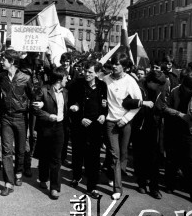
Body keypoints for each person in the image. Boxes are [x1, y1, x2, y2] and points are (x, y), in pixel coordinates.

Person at [0, 49, 34, 196]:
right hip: (6, 118)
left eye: (4, 59)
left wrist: (37, 104)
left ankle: (19, 172)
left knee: (20, 150)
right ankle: (8, 183)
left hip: (21, 118)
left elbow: (35, 95)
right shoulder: (0, 77)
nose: (2, 61)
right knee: (7, 151)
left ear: (12, 62)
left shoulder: (26, 78)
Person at [160, 72, 192, 204]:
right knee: (171, 159)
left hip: (188, 130)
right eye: (189, 88)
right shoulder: (174, 91)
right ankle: (170, 184)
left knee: (190, 162)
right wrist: (179, 114)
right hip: (173, 128)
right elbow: (164, 107)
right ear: (184, 85)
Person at [103, 53, 142, 200]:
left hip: (125, 123)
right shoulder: (105, 79)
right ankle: (118, 188)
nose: (114, 66)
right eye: (113, 63)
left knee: (123, 154)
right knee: (115, 155)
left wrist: (125, 119)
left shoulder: (130, 81)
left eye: (118, 64)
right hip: (110, 122)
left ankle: (111, 174)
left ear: (124, 66)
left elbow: (138, 103)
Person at [123, 70, 166, 199]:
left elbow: (162, 104)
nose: (159, 87)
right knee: (140, 157)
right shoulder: (138, 88)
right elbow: (127, 103)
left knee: (154, 159)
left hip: (154, 127)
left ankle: (154, 188)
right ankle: (141, 183)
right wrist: (142, 104)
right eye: (157, 84)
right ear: (150, 81)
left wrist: (162, 107)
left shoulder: (159, 90)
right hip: (139, 127)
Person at [68, 60, 108, 199]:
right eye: (85, 71)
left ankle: (92, 187)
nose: (86, 74)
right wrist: (79, 117)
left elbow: (105, 104)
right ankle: (76, 176)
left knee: (94, 158)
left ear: (97, 73)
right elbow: (71, 104)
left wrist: (104, 114)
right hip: (80, 125)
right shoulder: (77, 85)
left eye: (90, 72)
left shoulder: (102, 85)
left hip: (96, 126)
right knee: (78, 154)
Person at [33, 67, 68, 200]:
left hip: (60, 128)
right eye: (66, 77)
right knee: (44, 155)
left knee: (56, 158)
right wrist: (48, 116)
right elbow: (34, 108)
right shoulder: (43, 90)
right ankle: (43, 177)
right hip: (46, 127)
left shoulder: (66, 91)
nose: (68, 79)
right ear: (59, 79)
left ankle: (54, 187)